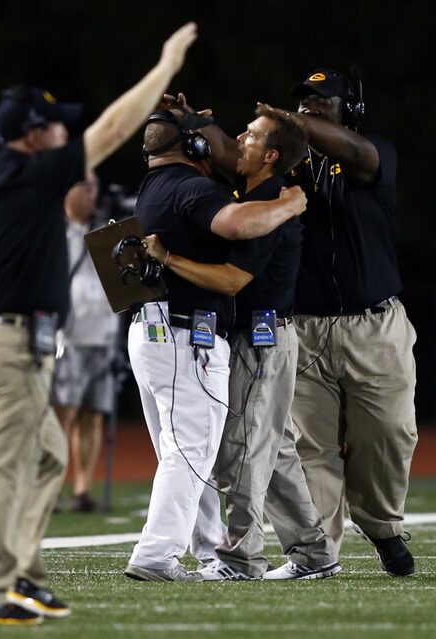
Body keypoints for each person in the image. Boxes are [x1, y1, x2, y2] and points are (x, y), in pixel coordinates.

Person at [0, 22, 199, 625]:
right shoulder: (36, 171)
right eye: (55, 126)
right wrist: (165, 65)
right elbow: (111, 128)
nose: (66, 135)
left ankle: (26, 574)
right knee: (9, 466)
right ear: (34, 136)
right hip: (10, 345)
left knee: (49, 455)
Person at [143, 104, 340, 581]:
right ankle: (315, 555)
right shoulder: (255, 193)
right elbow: (225, 150)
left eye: (250, 136)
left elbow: (231, 280)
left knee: (243, 450)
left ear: (270, 155)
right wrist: (190, 119)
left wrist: (167, 257)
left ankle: (240, 558)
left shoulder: (270, 205)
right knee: (274, 452)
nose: (238, 140)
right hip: (256, 339)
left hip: (261, 338)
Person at [283, 67, 418, 577]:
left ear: (351, 110)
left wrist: (289, 121)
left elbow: (355, 155)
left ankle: (382, 525)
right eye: (304, 103)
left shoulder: (372, 151)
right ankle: (318, 554)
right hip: (303, 327)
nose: (310, 110)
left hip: (373, 325)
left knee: (388, 433)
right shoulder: (288, 162)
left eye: (322, 102)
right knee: (308, 448)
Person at [52, 172, 119, 514]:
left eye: (95, 185)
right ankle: (49, 488)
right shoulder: (54, 231)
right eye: (84, 184)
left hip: (103, 334)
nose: (93, 192)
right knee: (63, 414)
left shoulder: (107, 230)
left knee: (93, 415)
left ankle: (82, 489)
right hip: (69, 336)